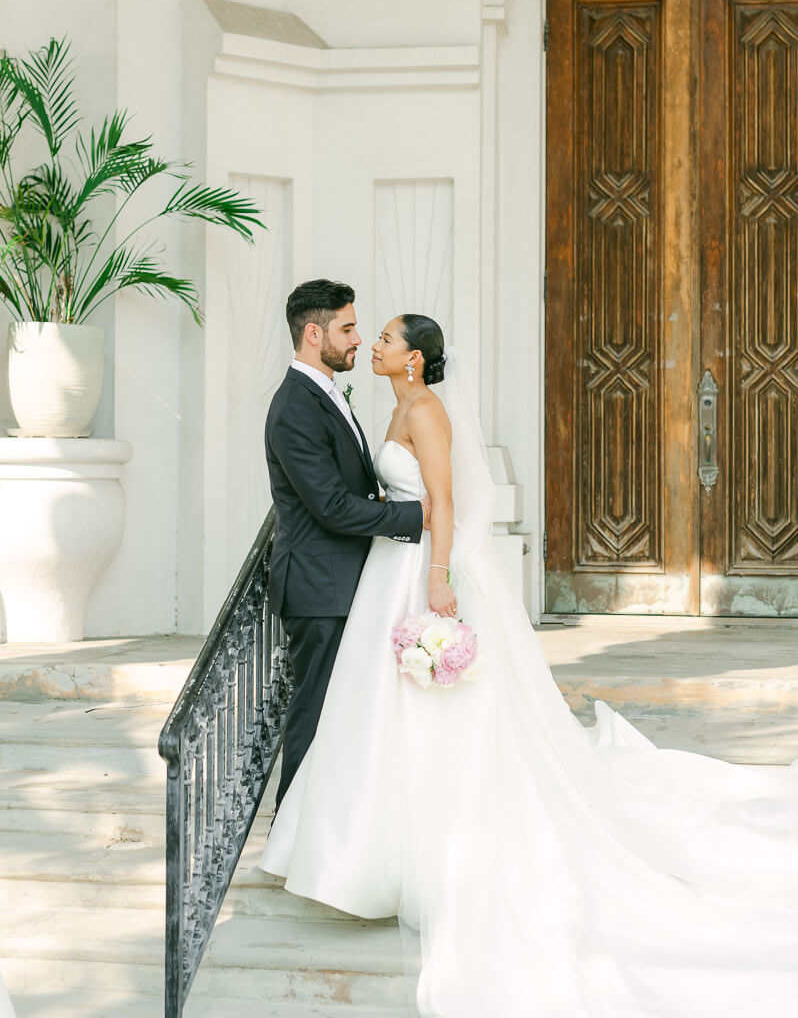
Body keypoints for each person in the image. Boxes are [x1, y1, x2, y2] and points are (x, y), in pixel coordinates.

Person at [261, 313, 798, 1017]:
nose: (376, 346)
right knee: (374, 711)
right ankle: (359, 846)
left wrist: (439, 579)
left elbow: (444, 503)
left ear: (415, 359)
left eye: (387, 338)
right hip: (386, 574)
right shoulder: (398, 406)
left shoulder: (425, 410)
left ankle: (405, 851)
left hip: (420, 569)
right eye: (374, 335)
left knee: (430, 714)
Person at [265, 281, 430, 810]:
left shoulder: (326, 392)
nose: (359, 338)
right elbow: (331, 505)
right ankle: (291, 833)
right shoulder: (295, 406)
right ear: (314, 334)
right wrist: (413, 516)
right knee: (313, 713)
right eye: (348, 328)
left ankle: (329, 827)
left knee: (343, 715)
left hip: (344, 580)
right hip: (318, 587)